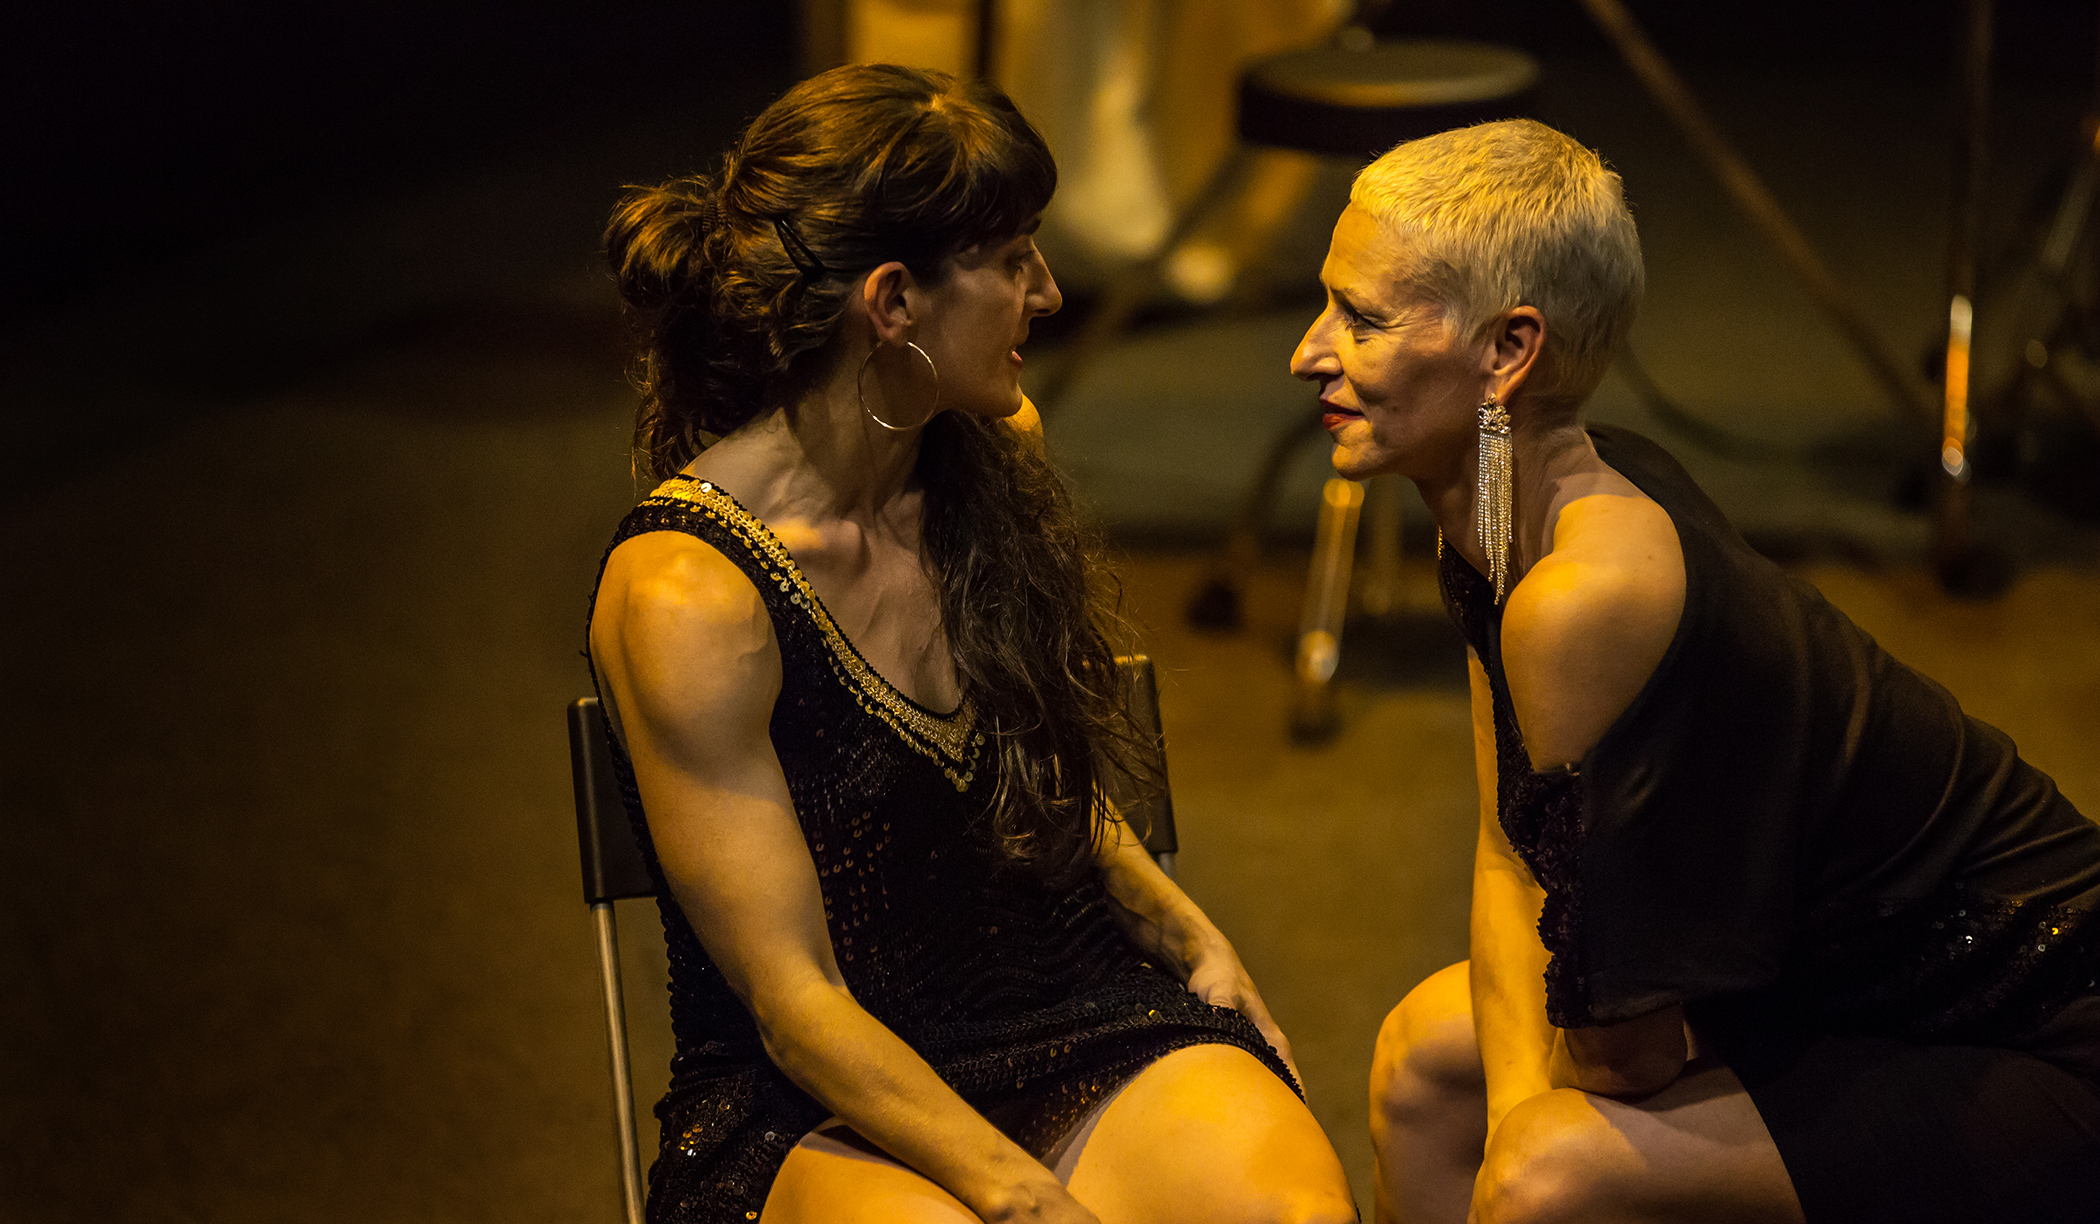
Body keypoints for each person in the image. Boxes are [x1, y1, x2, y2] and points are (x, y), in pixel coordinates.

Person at [1290, 118, 2100, 1224]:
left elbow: (1624, 1057)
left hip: (2035, 1039)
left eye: (1362, 319)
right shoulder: (1496, 520)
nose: (1309, 351)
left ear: (1508, 351)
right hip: (1830, 986)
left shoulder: (1585, 598)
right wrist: (1518, 1114)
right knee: (1424, 1061)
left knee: (1546, 1178)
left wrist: (1521, 1144)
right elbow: (1507, 854)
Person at [587, 64, 1356, 1224]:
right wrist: (1022, 1197)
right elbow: (794, 1004)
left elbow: (1031, 779)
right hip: (821, 1095)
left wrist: (1183, 926)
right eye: (1013, 259)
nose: (1047, 292)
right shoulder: (692, 594)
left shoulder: (990, 450)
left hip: (1070, 1011)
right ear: (893, 302)